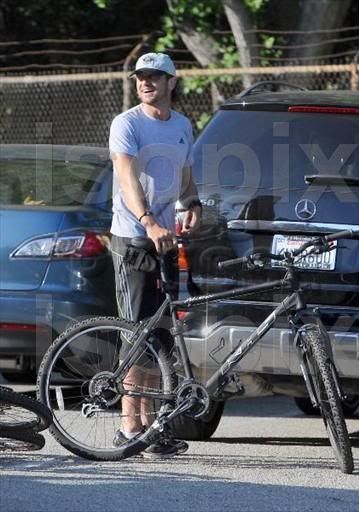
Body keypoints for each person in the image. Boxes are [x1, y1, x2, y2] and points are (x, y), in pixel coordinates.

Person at [109, 52, 202, 458]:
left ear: (171, 82)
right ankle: (129, 425)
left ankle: (149, 425)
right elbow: (126, 176)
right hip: (133, 237)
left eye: (153, 76)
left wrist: (192, 201)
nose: (145, 82)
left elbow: (184, 175)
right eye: (140, 77)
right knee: (137, 331)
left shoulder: (182, 125)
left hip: (166, 240)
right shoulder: (127, 123)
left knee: (160, 332)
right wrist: (148, 221)